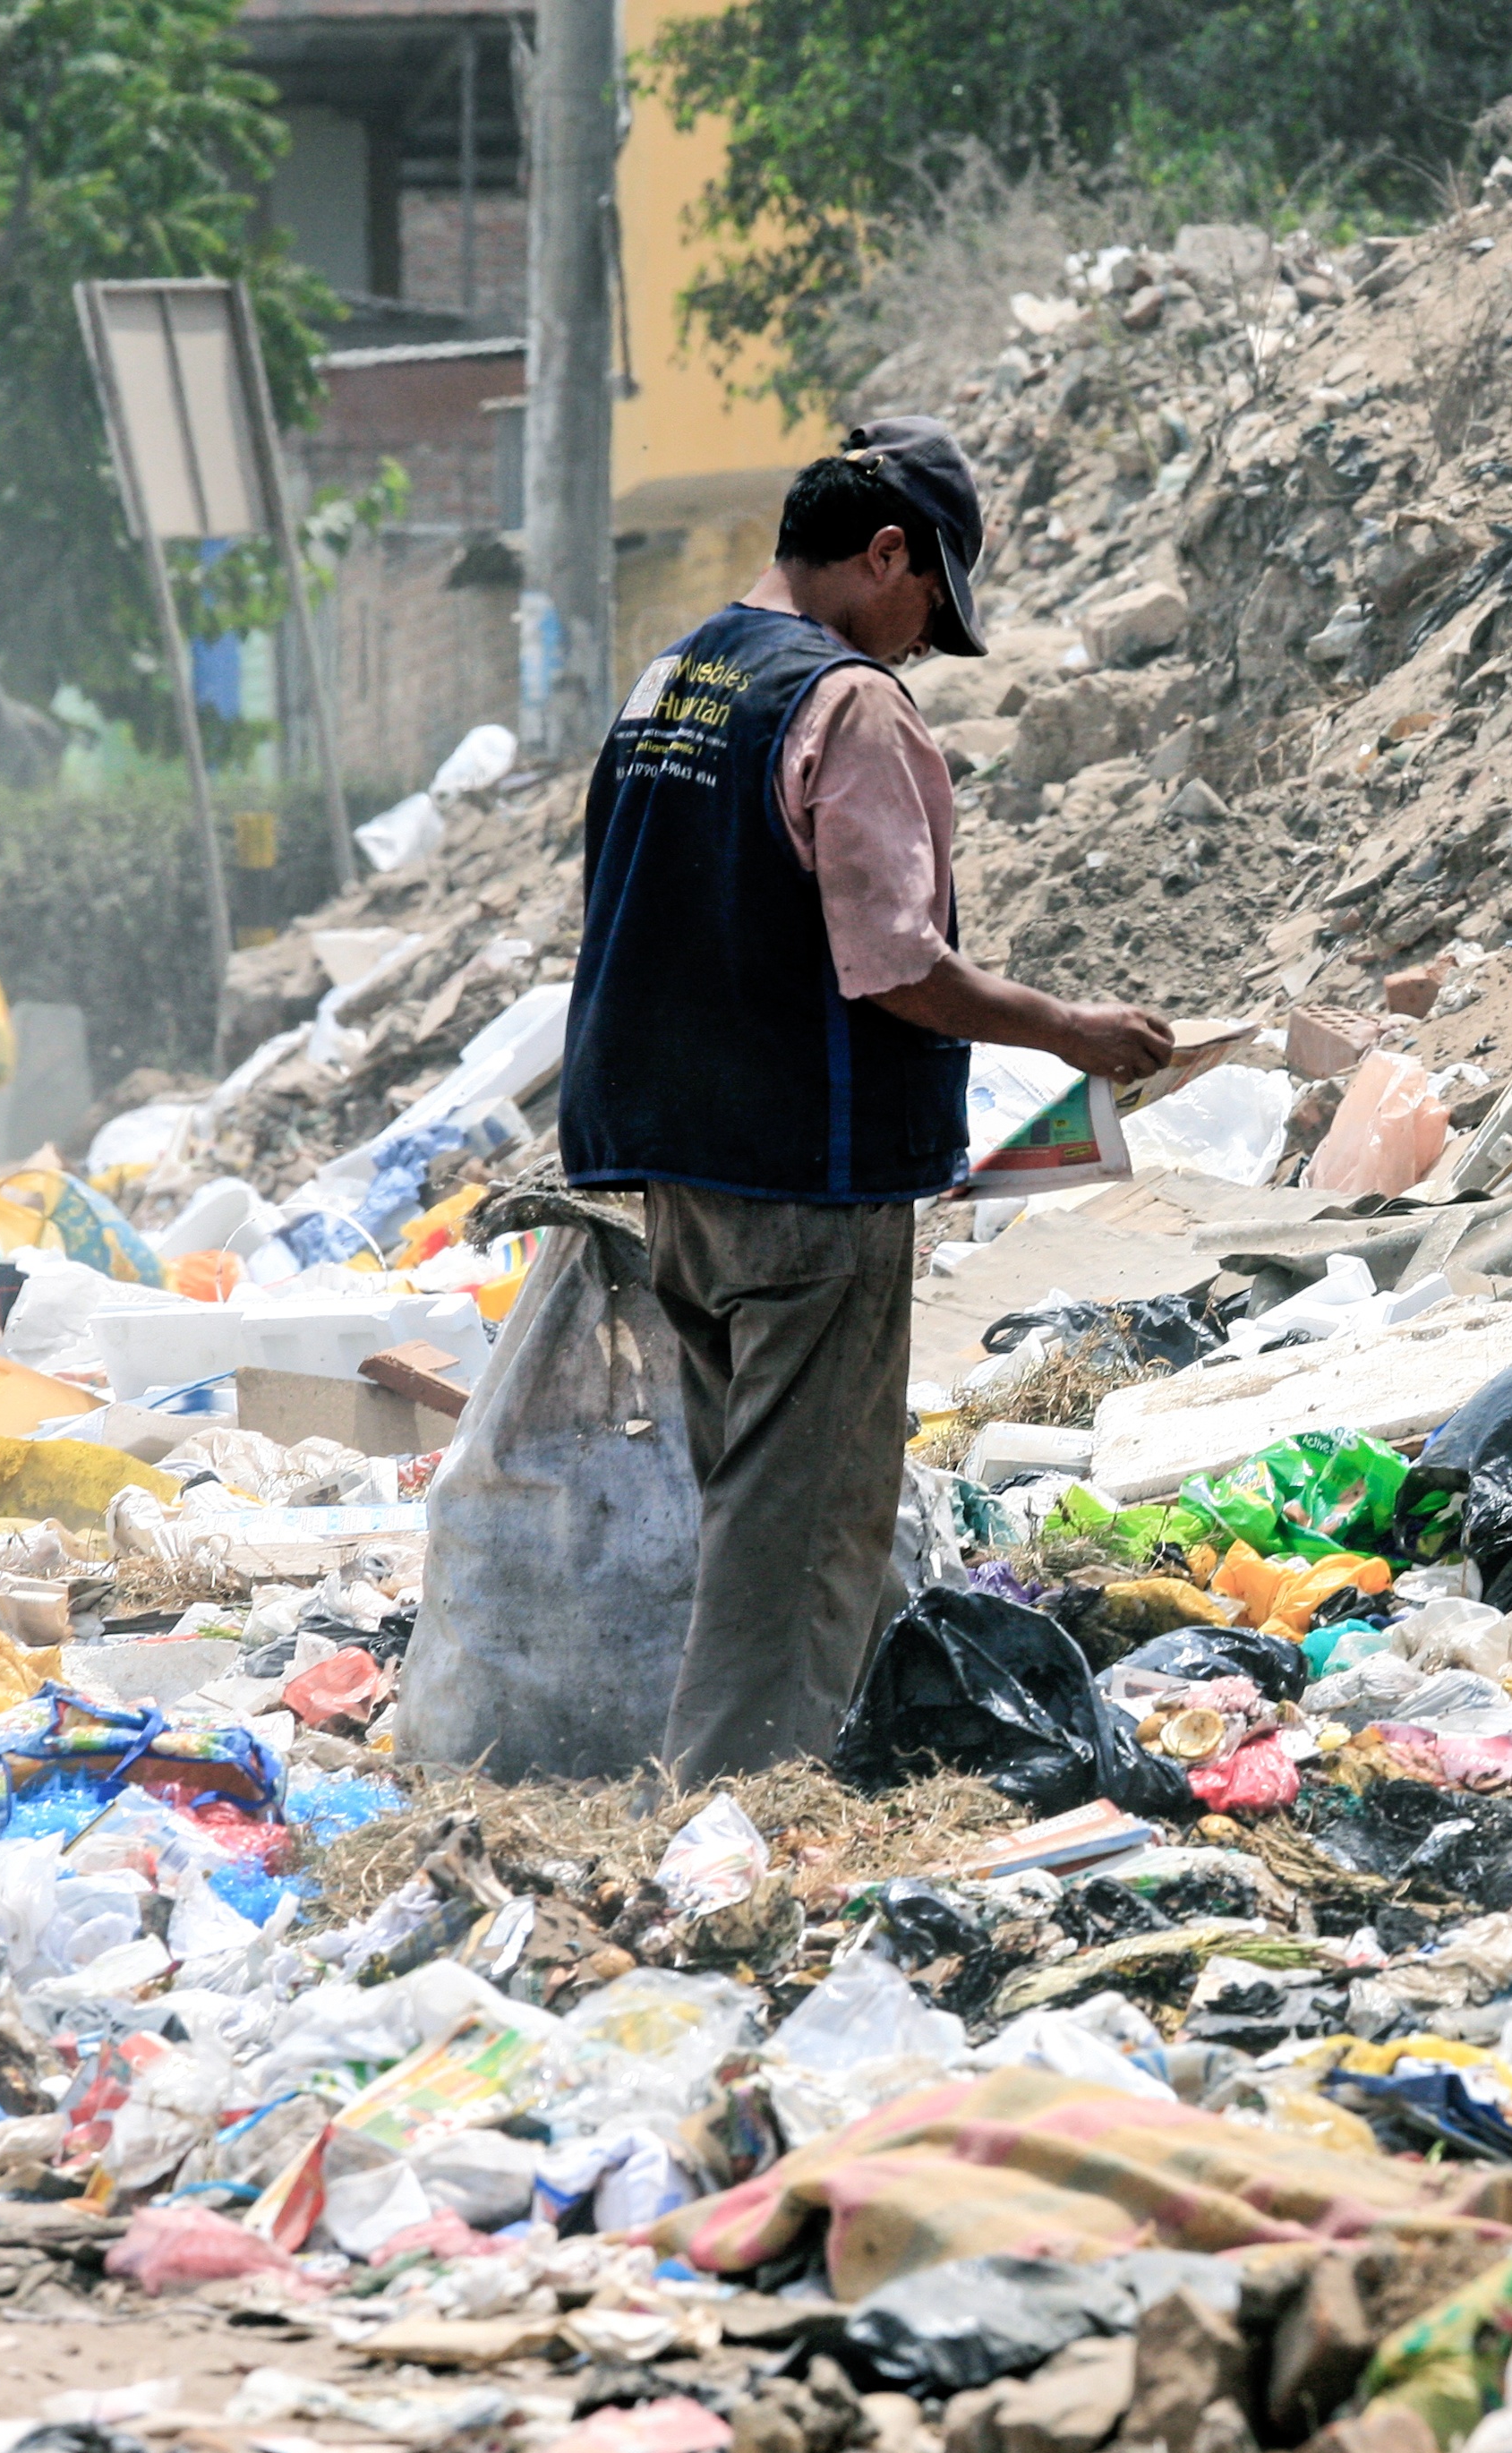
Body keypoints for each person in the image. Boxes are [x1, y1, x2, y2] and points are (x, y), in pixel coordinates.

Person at [564, 418, 1171, 1782]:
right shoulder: (848, 704)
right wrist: (1067, 1028)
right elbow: (896, 967)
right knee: (803, 1534)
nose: (917, 645)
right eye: (927, 606)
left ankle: (857, 1745)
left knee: (752, 1503)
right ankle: (733, 1818)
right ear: (885, 552)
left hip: (677, 1169)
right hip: (805, 1180)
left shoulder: (677, 678)